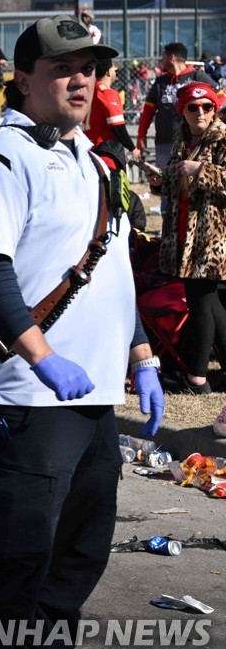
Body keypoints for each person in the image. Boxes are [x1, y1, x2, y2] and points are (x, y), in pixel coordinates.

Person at [0, 16, 163, 649]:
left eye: (90, 67)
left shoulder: (90, 160)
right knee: (14, 571)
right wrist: (43, 355)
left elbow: (111, 272)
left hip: (92, 395)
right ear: (25, 77)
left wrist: (143, 359)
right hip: (29, 398)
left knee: (76, 563)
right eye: (65, 67)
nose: (81, 80)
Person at [147, 83, 226, 394]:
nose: (201, 113)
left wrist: (201, 170)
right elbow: (174, 180)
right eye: (193, 108)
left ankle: (197, 377)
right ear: (182, 111)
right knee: (212, 304)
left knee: (202, 303)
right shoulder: (183, 140)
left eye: (207, 106)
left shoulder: (221, 137)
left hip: (212, 236)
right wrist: (158, 182)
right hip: (182, 235)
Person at [134, 42, 214, 208]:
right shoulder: (160, 82)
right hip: (164, 142)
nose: (160, 61)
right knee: (164, 182)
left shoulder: (197, 77)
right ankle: (167, 219)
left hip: (191, 142)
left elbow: (218, 98)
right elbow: (147, 112)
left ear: (172, 57)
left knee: (190, 182)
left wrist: (209, 123)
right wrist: (141, 136)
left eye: (163, 57)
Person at [85, 59, 135, 151]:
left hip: (89, 149)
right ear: (108, 72)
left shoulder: (88, 92)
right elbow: (118, 126)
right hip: (105, 150)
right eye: (114, 70)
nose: (115, 73)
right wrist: (132, 148)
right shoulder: (107, 93)